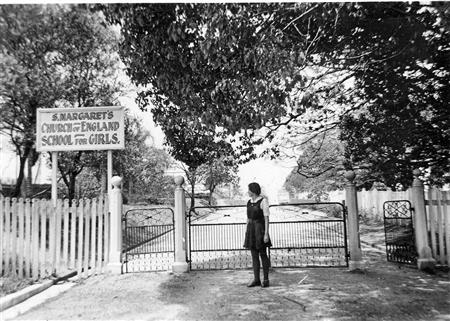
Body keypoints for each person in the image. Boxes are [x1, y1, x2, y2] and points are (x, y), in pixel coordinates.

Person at [243, 182, 272, 288]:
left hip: (259, 229)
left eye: (249, 190)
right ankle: (256, 280)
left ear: (253, 190)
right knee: (254, 256)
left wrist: (266, 234)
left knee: (263, 254)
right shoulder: (249, 202)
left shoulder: (263, 201)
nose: (247, 192)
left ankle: (266, 279)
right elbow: (248, 218)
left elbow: (266, 218)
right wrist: (247, 231)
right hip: (251, 230)